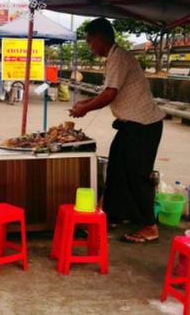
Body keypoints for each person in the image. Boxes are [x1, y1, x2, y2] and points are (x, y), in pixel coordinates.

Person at [69, 18, 164, 243]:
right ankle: (115, 214)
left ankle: (150, 226)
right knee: (116, 171)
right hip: (131, 125)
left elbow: (110, 94)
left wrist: (85, 110)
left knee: (136, 175)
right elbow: (108, 92)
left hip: (143, 126)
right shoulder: (114, 57)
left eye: (90, 42)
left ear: (100, 39)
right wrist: (85, 103)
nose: (90, 48)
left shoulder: (119, 57)